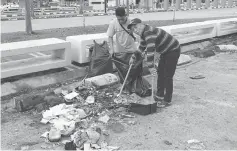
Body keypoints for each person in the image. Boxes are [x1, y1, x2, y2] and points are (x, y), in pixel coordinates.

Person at [127, 18, 181, 107]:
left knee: (168, 76)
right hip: (165, 51)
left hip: (173, 50)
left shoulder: (148, 33)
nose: (135, 31)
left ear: (141, 24)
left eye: (136, 27)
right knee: (160, 72)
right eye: (133, 30)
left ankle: (167, 100)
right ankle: (159, 96)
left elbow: (150, 52)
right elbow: (141, 47)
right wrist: (133, 57)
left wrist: (151, 67)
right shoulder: (144, 34)